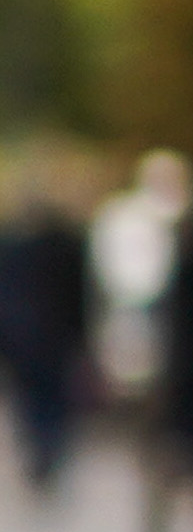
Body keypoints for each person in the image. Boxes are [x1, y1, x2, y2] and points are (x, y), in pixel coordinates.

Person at [0, 159, 89, 505]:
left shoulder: (15, 244)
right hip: (49, 338)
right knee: (47, 401)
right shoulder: (65, 245)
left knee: (38, 401)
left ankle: (43, 451)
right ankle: (45, 451)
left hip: (30, 338)